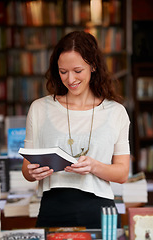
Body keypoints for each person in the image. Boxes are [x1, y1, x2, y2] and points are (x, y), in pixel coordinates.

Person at [22, 31, 130, 229]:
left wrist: (93, 166)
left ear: (93, 66)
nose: (70, 79)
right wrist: (33, 172)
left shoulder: (116, 112)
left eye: (77, 71)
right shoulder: (39, 109)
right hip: (52, 207)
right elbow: (26, 170)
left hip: (99, 210)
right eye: (63, 71)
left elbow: (122, 173)